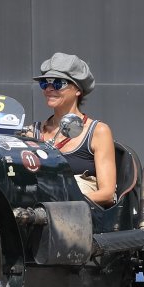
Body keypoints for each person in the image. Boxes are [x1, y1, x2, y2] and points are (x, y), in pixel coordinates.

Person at [33, 52, 115, 206]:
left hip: (78, 215)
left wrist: (62, 203)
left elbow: (107, 193)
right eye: (44, 83)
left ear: (78, 89)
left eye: (58, 83)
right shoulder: (32, 132)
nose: (49, 88)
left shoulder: (98, 131)